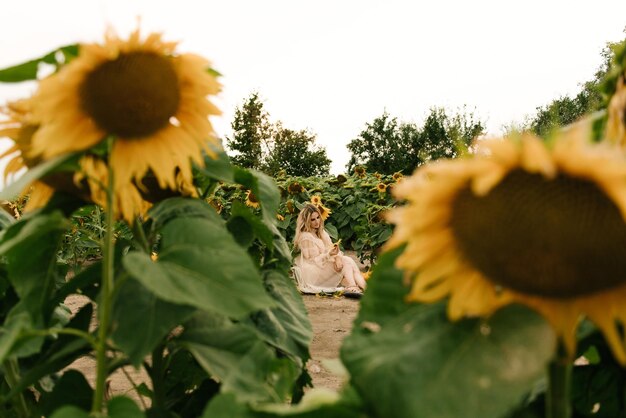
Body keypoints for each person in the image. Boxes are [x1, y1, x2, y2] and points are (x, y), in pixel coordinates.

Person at [292, 204, 367, 294]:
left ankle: (364, 288)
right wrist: (329, 255)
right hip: (314, 275)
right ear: (306, 221)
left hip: (323, 267)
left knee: (347, 260)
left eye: (318, 217)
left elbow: (332, 247)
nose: (317, 222)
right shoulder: (306, 237)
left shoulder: (321, 232)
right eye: (312, 219)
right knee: (347, 261)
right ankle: (352, 287)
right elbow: (314, 261)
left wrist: (338, 258)